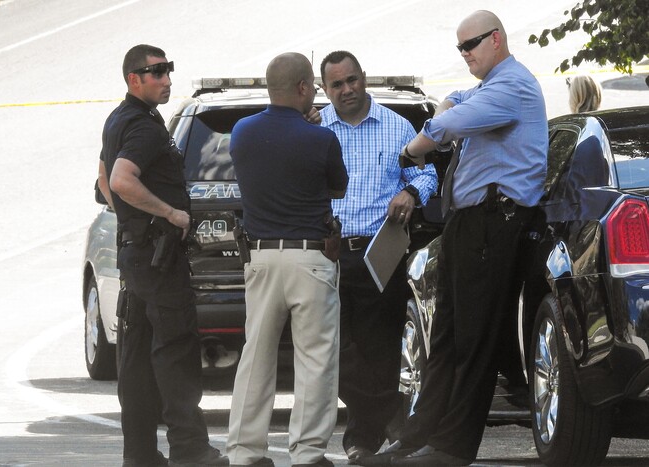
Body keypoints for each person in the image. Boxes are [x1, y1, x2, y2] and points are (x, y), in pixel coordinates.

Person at [365, 10, 548, 466]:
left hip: (494, 220)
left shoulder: (514, 85)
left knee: (473, 339)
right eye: (459, 48)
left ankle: (451, 448)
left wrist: (410, 150)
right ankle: (417, 437)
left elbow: (444, 126)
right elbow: (452, 102)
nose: (464, 54)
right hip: (469, 223)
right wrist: (447, 109)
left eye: (471, 45)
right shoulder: (490, 85)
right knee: (444, 337)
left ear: (498, 39)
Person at [98, 44, 228, 467]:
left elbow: (102, 177)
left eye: (168, 71)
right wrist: (168, 214)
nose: (166, 79)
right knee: (174, 351)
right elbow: (120, 178)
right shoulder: (144, 128)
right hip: (158, 259)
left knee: (135, 359)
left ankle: (139, 454)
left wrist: (133, 222)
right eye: (156, 73)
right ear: (134, 78)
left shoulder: (120, 119)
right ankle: (189, 448)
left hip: (137, 256)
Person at [225, 52, 348, 467]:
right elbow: (338, 187)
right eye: (312, 85)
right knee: (314, 359)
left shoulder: (241, 132)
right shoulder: (321, 138)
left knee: (254, 355)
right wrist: (310, 129)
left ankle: (245, 452)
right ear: (301, 88)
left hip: (260, 258)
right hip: (310, 260)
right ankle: (308, 454)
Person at [318, 50, 438, 463]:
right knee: (331, 347)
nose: (347, 89)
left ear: (363, 77)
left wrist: (411, 192)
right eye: (337, 84)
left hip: (379, 252)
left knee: (379, 350)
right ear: (325, 89)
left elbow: (426, 172)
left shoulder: (397, 126)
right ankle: (389, 414)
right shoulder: (316, 130)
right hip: (327, 254)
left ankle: (361, 443)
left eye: (352, 80)